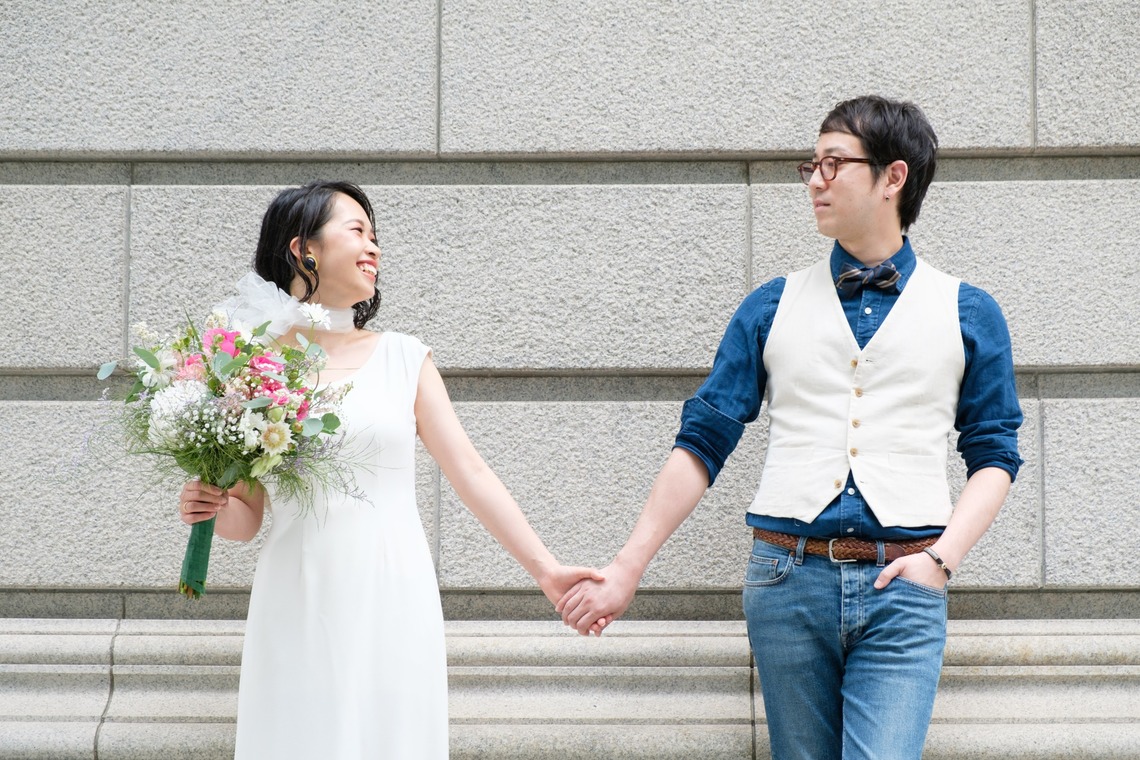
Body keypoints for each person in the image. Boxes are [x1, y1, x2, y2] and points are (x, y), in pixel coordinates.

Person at [557, 96, 1023, 759]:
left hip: (904, 586)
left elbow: (995, 454)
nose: (815, 180)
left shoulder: (968, 311)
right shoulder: (770, 305)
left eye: (834, 163)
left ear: (893, 177)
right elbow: (702, 443)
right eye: (812, 165)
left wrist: (940, 562)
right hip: (786, 579)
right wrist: (626, 568)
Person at [176, 180, 602, 758]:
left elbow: (471, 472)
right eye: (357, 231)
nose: (373, 246)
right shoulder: (251, 368)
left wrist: (547, 571)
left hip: (392, 590)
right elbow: (245, 520)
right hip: (296, 594)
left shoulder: (405, 357)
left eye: (375, 235)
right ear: (304, 249)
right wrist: (210, 505)